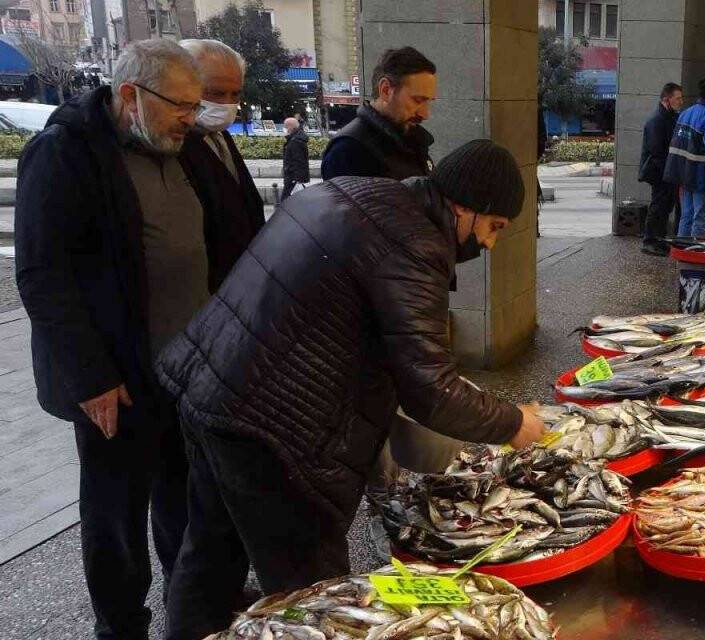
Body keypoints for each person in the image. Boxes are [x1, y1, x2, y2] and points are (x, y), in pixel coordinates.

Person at [156, 140, 547, 640]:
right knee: (316, 595)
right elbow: (430, 390)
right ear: (464, 206)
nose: (489, 245)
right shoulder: (415, 243)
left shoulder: (363, 195)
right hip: (274, 431)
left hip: (212, 387)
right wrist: (513, 423)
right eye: (494, 227)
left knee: (210, 550)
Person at [14, 38, 257, 640]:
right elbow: (43, 275)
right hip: (116, 379)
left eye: (196, 104)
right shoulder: (65, 152)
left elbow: (229, 233)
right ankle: (121, 626)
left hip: (185, 372)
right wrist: (91, 377)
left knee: (184, 499)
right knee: (116, 515)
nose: (192, 117)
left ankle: (189, 607)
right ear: (131, 95)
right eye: (181, 105)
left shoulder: (182, 145)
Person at [178, 39, 265, 291]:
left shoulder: (221, 135)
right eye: (215, 93)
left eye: (235, 94)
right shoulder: (173, 146)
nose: (227, 103)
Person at [322, 46, 436, 180]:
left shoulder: (412, 139)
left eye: (428, 101)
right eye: (418, 100)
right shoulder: (347, 150)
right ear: (386, 90)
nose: (425, 114)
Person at [664, 78, 705, 238]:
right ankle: (695, 250)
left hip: (685, 175)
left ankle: (681, 249)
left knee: (686, 217)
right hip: (704, 177)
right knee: (702, 219)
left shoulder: (686, 113)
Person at [639, 81, 682, 256]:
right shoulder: (657, 120)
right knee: (658, 206)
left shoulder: (670, 117)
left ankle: (659, 239)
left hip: (667, 171)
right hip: (659, 172)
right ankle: (649, 241)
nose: (680, 102)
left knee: (665, 207)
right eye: (677, 98)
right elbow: (656, 151)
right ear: (666, 99)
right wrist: (668, 172)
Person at [281, 116, 310, 200]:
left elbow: (298, 161)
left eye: (285, 127)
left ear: (290, 127)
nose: (284, 129)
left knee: (285, 201)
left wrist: (296, 179)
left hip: (292, 178)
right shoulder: (295, 139)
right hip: (293, 177)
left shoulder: (295, 141)